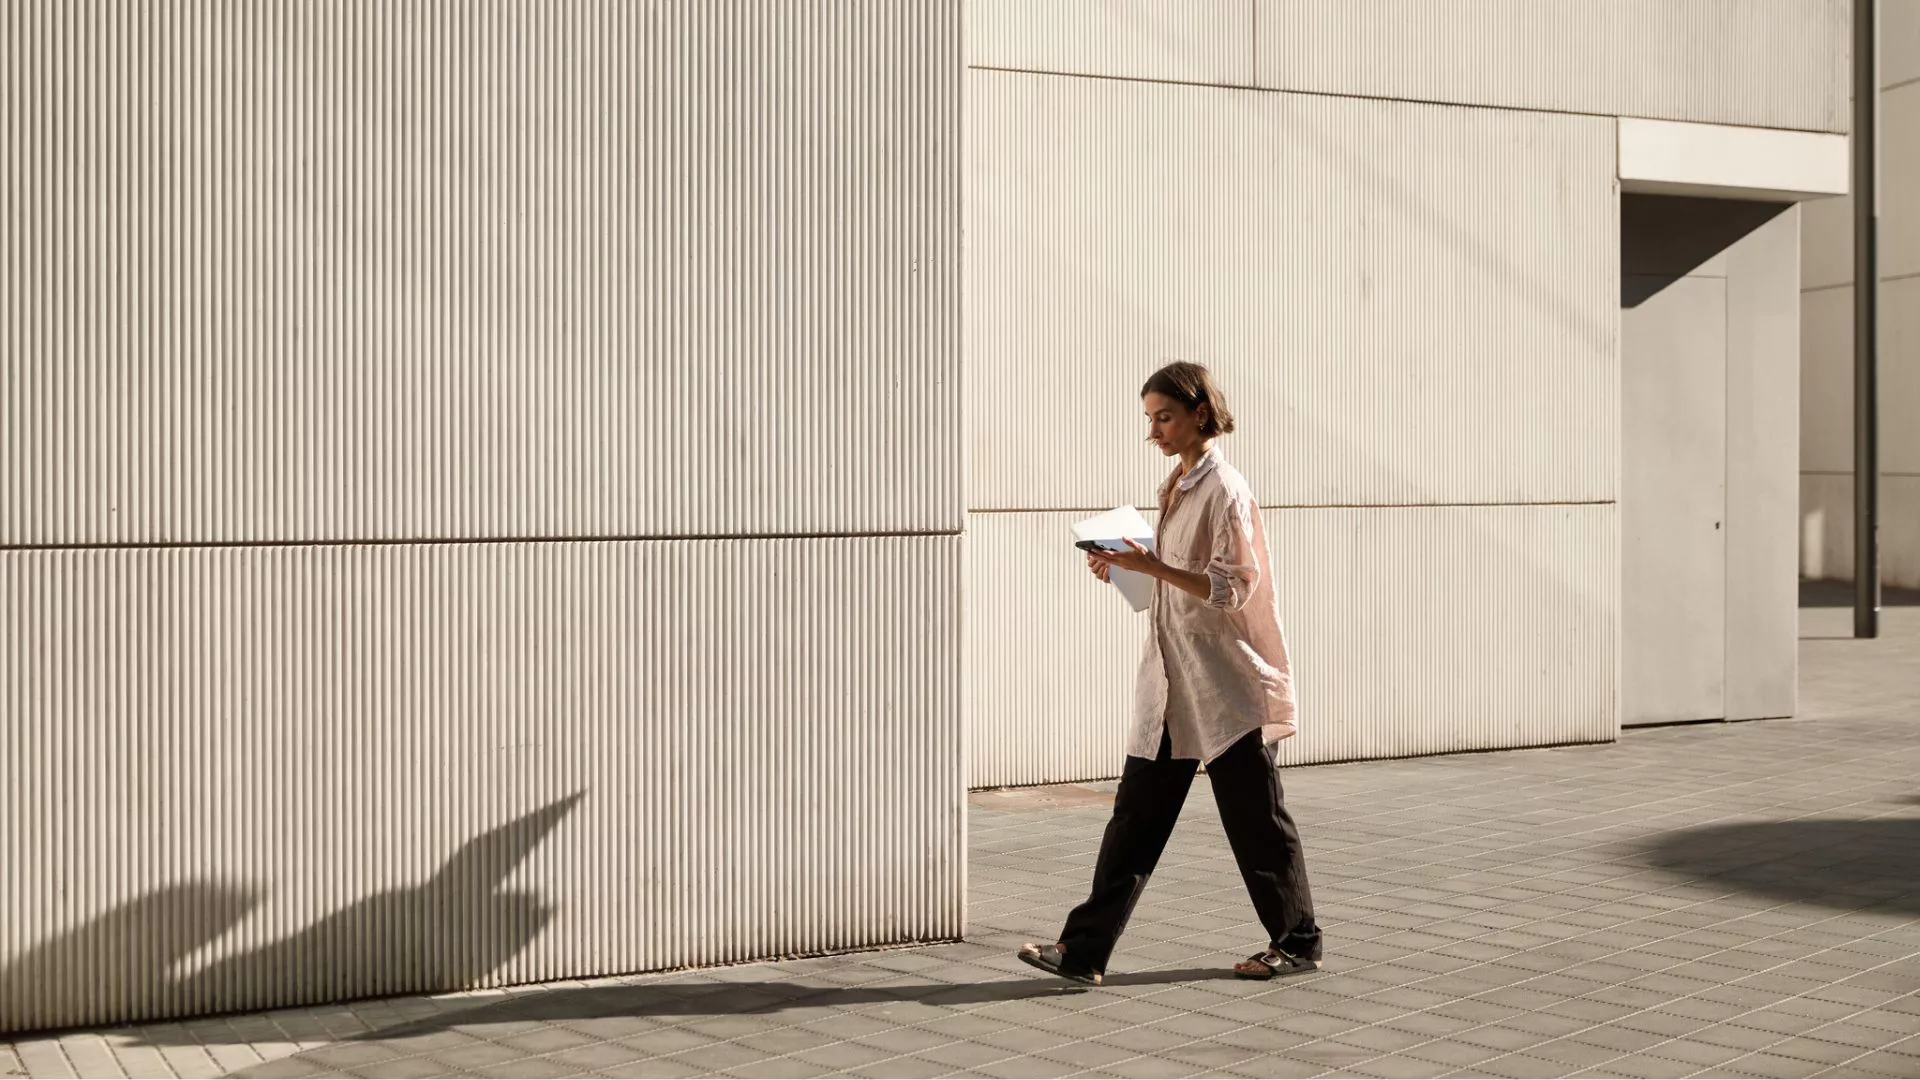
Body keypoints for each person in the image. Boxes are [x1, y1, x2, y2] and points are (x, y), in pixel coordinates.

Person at [1018, 361, 1322, 986]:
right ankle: (1082, 953)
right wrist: (1127, 572)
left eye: (1165, 417)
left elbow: (1233, 588)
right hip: (1171, 686)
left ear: (1199, 414)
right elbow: (1172, 582)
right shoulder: (1177, 485)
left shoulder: (1224, 489)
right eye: (1149, 419)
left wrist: (1153, 567)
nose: (1154, 430)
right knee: (1134, 820)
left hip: (1223, 686)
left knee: (1257, 822)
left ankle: (1298, 942)